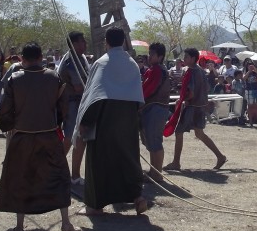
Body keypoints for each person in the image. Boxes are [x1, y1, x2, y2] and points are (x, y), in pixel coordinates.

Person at [0, 42, 80, 231]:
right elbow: (63, 108)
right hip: (49, 135)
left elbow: (5, 109)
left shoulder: (15, 79)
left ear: (22, 60)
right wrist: (54, 122)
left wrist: (3, 118)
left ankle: (19, 226)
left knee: (20, 178)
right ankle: (66, 223)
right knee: (58, 177)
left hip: (22, 136)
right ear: (41, 57)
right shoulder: (54, 77)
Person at [74, 27, 147, 216]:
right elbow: (137, 98)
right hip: (128, 120)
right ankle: (137, 197)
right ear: (123, 41)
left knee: (98, 161)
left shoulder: (102, 63)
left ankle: (94, 205)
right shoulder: (132, 64)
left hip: (105, 119)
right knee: (128, 160)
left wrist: (85, 121)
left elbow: (95, 96)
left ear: (106, 41)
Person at [164, 47, 227, 171]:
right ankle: (220, 156)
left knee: (179, 132)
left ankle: (176, 163)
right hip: (200, 106)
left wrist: (183, 100)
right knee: (199, 133)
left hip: (192, 107)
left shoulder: (192, 72)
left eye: (186, 57)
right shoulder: (200, 71)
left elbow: (191, 93)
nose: (184, 59)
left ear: (193, 58)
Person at [57, 31, 90, 185]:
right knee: (73, 138)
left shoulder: (80, 58)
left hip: (78, 103)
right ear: (75, 44)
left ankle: (69, 173)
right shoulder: (72, 61)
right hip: (72, 103)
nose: (85, 44)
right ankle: (66, 173)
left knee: (76, 139)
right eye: (82, 41)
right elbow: (79, 87)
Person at [140, 42, 171, 181]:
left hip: (155, 108)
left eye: (152, 54)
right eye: (150, 53)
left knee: (155, 142)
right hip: (156, 108)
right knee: (153, 142)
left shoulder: (157, 70)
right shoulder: (156, 69)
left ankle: (157, 174)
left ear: (160, 56)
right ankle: (154, 172)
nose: (149, 56)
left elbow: (147, 89)